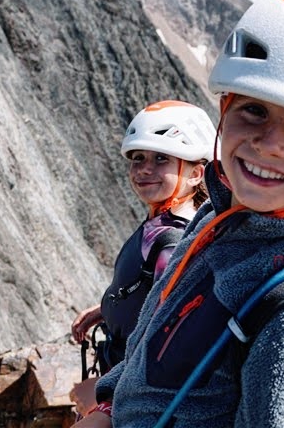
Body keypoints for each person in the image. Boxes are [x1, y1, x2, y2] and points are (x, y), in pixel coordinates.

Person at [75, 0, 284, 427]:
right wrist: (110, 405)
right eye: (254, 111)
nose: (270, 146)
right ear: (224, 112)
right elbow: (153, 353)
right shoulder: (214, 221)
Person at [70, 100, 216, 417]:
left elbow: (167, 343)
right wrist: (106, 309)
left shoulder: (173, 244)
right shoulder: (164, 224)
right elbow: (149, 294)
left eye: (161, 158)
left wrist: (103, 397)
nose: (145, 168)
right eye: (138, 158)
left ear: (196, 174)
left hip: (129, 394)